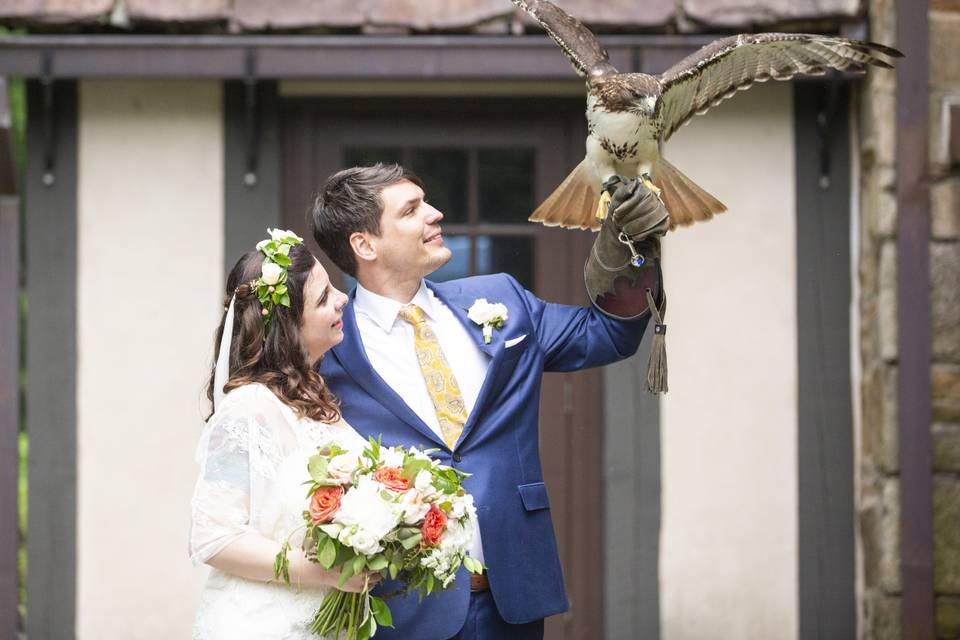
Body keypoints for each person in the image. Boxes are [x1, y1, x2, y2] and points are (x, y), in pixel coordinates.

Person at [310, 164, 668, 640]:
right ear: (365, 245)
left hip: (513, 594)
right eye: (412, 210)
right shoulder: (329, 349)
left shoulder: (500, 298)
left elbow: (607, 335)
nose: (435, 214)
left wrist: (635, 251)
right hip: (399, 609)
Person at [189, 230, 379, 639]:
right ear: (289, 324)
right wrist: (324, 572)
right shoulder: (249, 409)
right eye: (324, 297)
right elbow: (214, 537)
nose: (342, 298)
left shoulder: (314, 400)